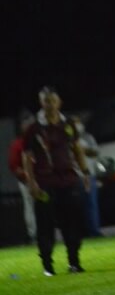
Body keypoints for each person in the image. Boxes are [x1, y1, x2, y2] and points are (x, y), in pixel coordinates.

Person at [23, 87, 92, 276]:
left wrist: (85, 172)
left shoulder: (68, 124)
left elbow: (77, 149)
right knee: (45, 224)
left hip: (68, 179)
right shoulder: (34, 128)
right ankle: (47, 265)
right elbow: (27, 157)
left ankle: (74, 262)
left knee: (73, 222)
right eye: (46, 101)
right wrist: (31, 183)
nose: (50, 105)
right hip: (45, 181)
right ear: (41, 103)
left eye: (53, 101)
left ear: (59, 102)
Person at [71, 115, 103, 237]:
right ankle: (81, 232)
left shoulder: (87, 137)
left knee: (91, 204)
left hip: (89, 175)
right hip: (75, 176)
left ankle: (94, 231)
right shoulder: (68, 139)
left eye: (78, 122)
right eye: (74, 123)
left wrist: (82, 150)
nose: (77, 126)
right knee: (78, 206)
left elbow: (95, 152)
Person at [7, 113, 37, 243]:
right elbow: (14, 165)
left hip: (43, 180)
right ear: (23, 126)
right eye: (27, 124)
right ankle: (33, 234)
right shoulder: (18, 144)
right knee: (30, 207)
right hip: (26, 182)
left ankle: (48, 231)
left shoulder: (40, 141)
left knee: (46, 207)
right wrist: (28, 177)